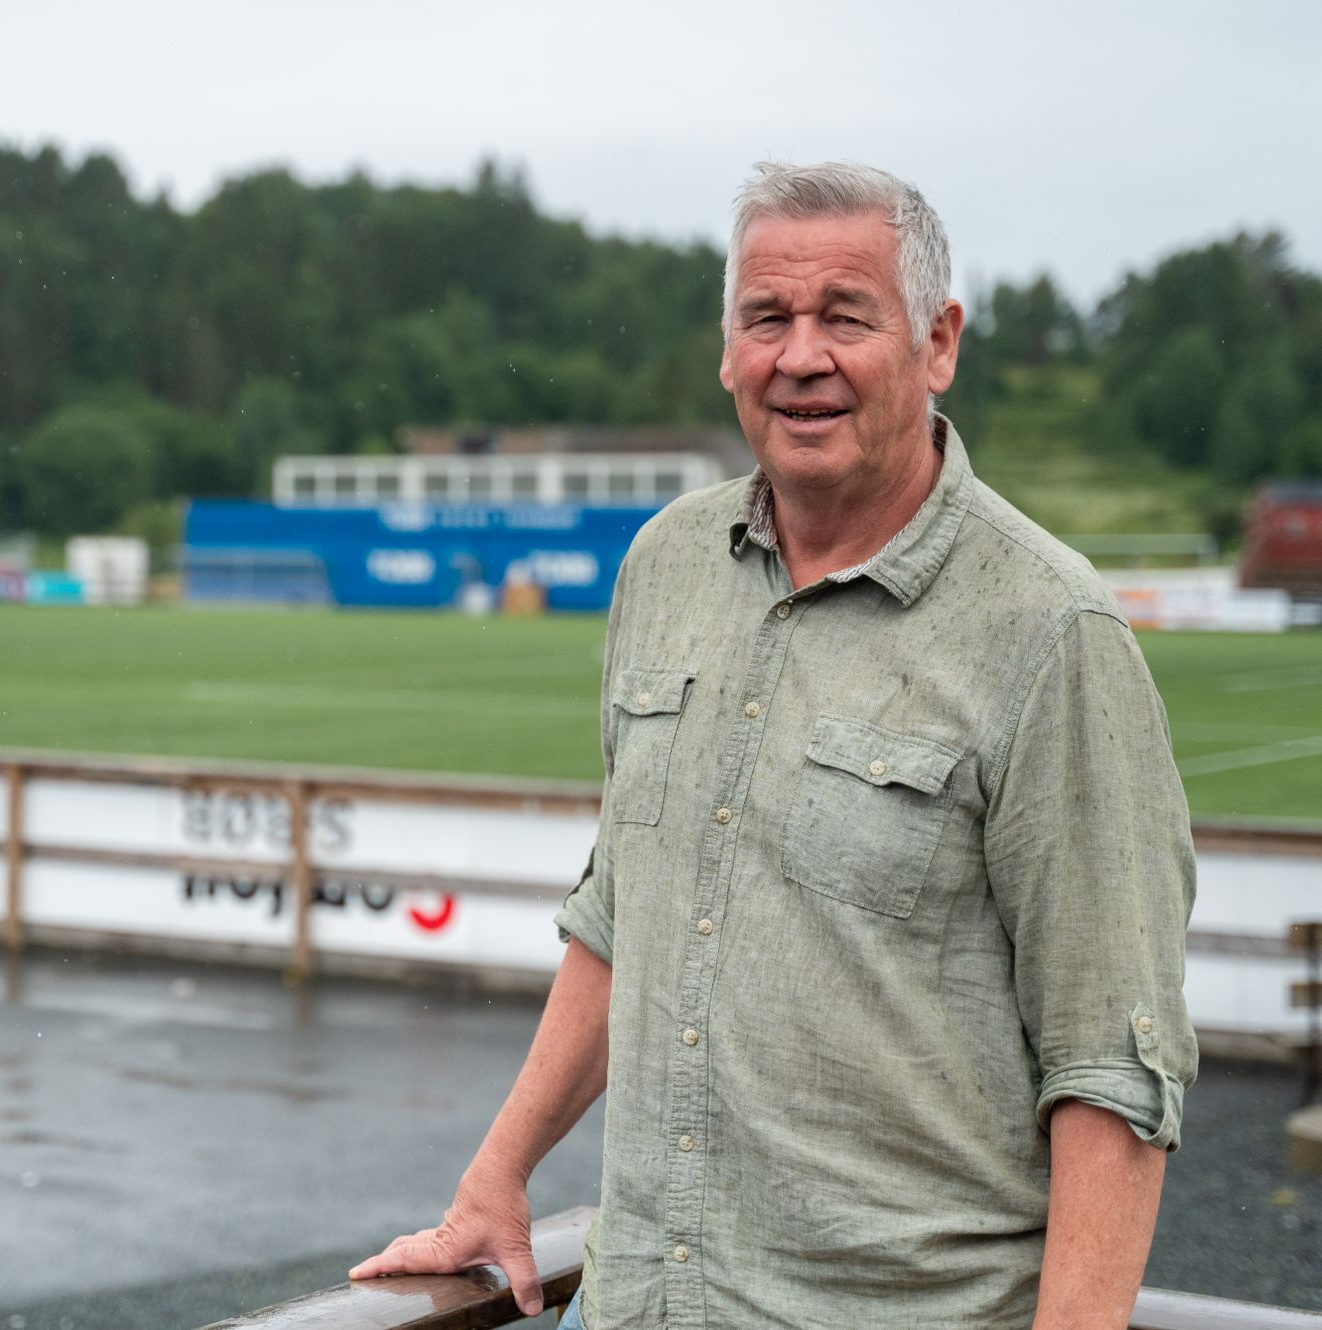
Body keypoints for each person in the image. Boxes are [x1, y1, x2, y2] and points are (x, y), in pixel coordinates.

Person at [351, 160, 1198, 1329]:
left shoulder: (1051, 631)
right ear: (726, 350)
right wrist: (495, 1175)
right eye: (766, 318)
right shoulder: (664, 565)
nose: (800, 355)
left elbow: (1112, 1069)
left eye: (845, 317)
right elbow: (620, 914)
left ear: (937, 342)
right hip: (637, 1305)